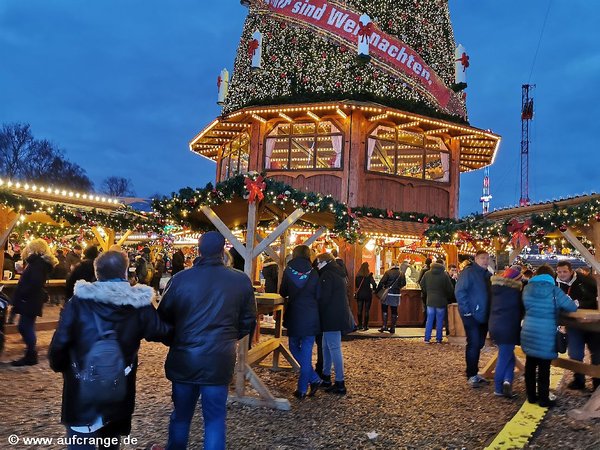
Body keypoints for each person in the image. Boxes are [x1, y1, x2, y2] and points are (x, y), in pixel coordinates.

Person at [48, 251, 172, 450]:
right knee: (111, 441)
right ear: (125, 272)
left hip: (81, 388)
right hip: (118, 387)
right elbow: (164, 333)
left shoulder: (78, 303)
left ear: (97, 273)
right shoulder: (139, 304)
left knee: (80, 442)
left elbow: (59, 346)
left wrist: (65, 369)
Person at [156, 232, 256, 450]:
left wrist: (176, 339)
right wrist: (228, 337)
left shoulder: (180, 279)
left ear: (198, 250)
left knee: (181, 416)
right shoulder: (240, 280)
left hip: (185, 357)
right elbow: (248, 321)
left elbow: (163, 319)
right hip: (219, 358)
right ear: (223, 251)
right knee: (215, 420)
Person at [521, 265, 577, 407]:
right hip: (546, 332)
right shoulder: (554, 290)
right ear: (552, 277)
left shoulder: (527, 288)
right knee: (544, 368)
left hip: (529, 330)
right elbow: (571, 307)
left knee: (530, 365)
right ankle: (544, 399)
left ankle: (531, 397)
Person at [280, 245, 321, 399]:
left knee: (293, 346)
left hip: (295, 315)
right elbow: (319, 295)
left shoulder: (288, 271)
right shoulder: (314, 272)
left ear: (294, 254)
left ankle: (307, 385)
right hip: (311, 315)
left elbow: (282, 292)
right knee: (307, 352)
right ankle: (307, 384)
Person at [11, 238, 58, 366]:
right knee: (26, 326)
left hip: (30, 300)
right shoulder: (38, 263)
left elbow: (34, 283)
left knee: (25, 326)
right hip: (32, 299)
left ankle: (31, 354)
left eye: (31, 248)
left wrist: (23, 292)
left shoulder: (37, 264)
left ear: (36, 249)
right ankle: (30, 354)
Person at [556, 261, 599, 391]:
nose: (562, 274)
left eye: (564, 271)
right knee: (575, 354)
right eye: (559, 272)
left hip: (593, 325)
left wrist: (580, 303)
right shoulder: (555, 283)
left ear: (571, 271)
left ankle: (597, 382)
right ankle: (579, 380)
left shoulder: (586, 281)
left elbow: (595, 298)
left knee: (597, 353)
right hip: (573, 324)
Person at [316, 252, 352, 395]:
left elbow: (324, 298)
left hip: (331, 317)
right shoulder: (337, 273)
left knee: (334, 348)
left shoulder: (327, 275)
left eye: (318, 262)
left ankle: (339, 382)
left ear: (324, 262)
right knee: (326, 346)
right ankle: (326, 376)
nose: (317, 265)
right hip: (336, 315)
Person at [455, 250, 492, 387]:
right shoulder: (469, 272)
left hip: (484, 315)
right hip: (472, 315)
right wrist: (466, 312)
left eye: (487, 258)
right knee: (474, 343)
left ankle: (474, 373)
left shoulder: (487, 275)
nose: (485, 261)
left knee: (479, 343)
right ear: (476, 258)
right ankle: (471, 374)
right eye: (482, 258)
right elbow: (460, 291)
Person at [488, 266, 523, 398]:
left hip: (495, 325)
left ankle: (508, 381)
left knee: (508, 356)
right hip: (508, 327)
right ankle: (498, 387)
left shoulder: (496, 289)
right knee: (504, 357)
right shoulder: (515, 292)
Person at [420, 262, 454, 344]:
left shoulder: (427, 274)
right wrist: (447, 295)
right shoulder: (444, 275)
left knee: (429, 319)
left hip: (430, 300)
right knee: (440, 320)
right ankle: (439, 339)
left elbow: (421, 284)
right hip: (441, 301)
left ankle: (427, 338)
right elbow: (450, 289)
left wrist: (427, 292)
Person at [376, 262, 406, 334]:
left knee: (384, 309)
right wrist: (398, 288)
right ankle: (393, 328)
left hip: (388, 293)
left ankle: (384, 326)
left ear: (391, 265)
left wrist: (377, 290)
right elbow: (404, 283)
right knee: (394, 310)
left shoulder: (388, 272)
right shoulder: (401, 273)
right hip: (396, 294)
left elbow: (381, 282)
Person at [355, 262, 377, 331]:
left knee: (359, 310)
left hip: (360, 294)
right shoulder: (369, 276)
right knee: (367, 310)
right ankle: (365, 326)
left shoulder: (358, 276)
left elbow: (357, 286)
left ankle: (360, 325)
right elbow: (374, 284)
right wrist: (373, 290)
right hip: (368, 294)